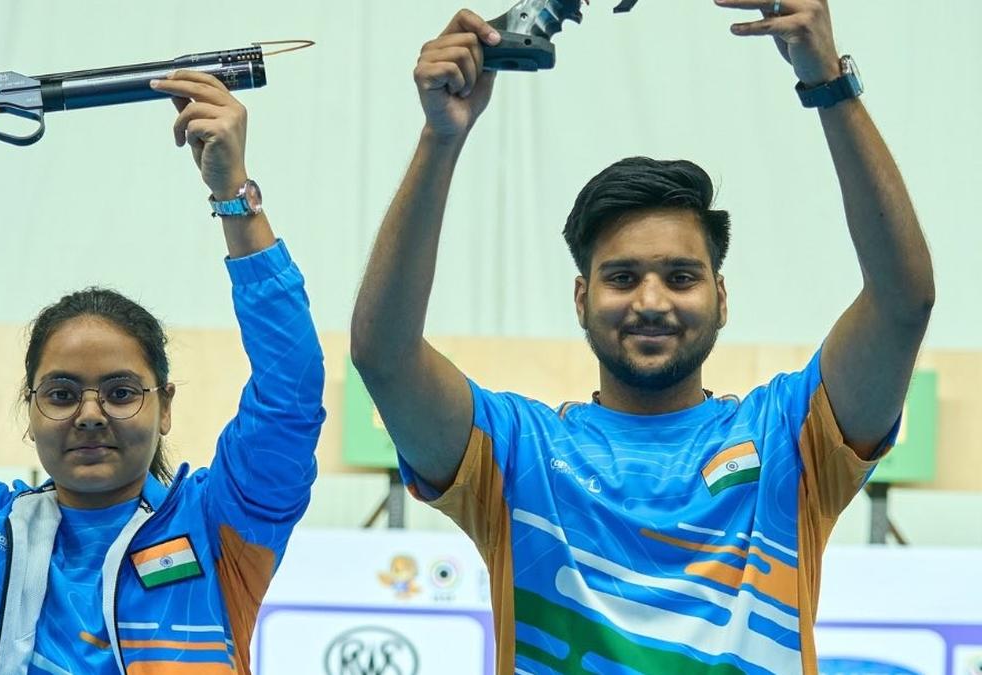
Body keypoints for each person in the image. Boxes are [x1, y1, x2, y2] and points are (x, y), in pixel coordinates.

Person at [349, 1, 934, 672]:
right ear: (581, 297)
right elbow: (384, 356)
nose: (651, 301)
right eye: (622, 277)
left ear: (721, 296)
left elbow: (902, 302)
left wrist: (828, 82)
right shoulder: (517, 454)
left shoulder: (789, 443)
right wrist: (439, 139)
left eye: (681, 277)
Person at [0, 70, 325, 674]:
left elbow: (290, 393)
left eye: (122, 392)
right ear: (30, 408)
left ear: (166, 405)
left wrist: (234, 194)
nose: (92, 413)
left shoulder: (219, 526)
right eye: (62, 393)